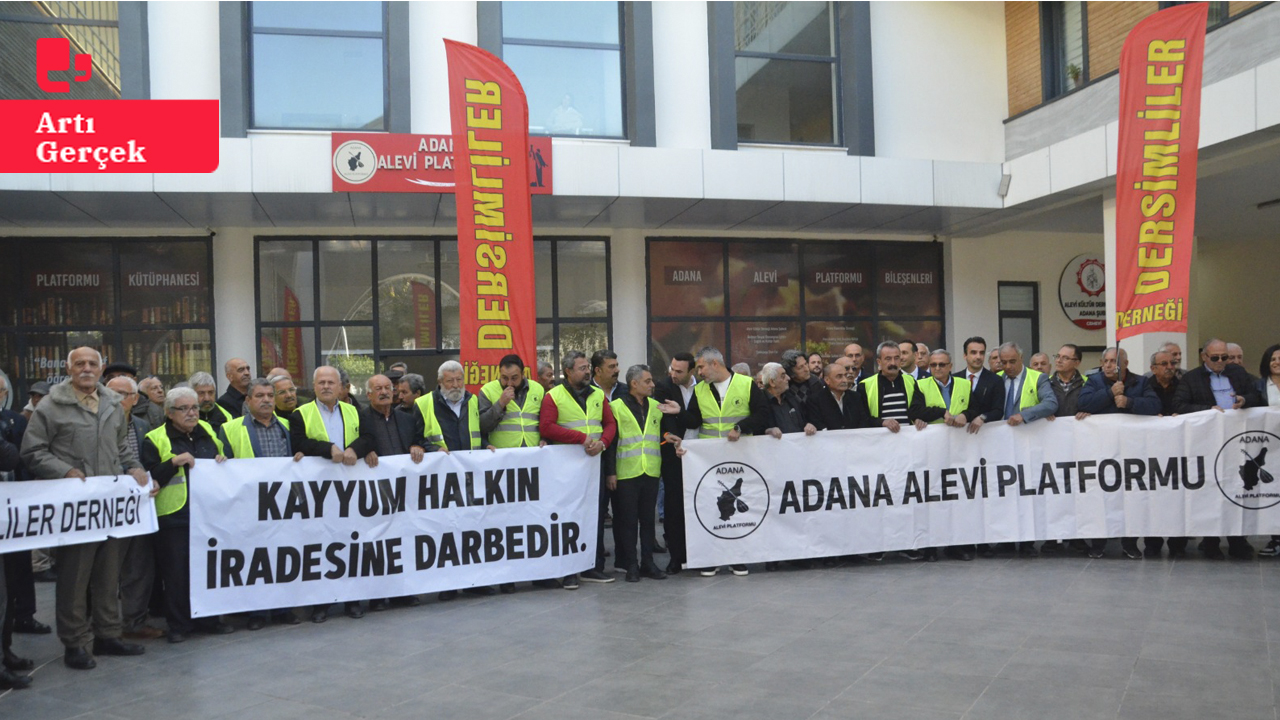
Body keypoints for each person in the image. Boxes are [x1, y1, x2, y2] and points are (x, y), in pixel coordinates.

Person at [21, 347, 154, 669]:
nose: (86, 368)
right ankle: (75, 642)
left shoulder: (112, 402)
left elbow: (121, 445)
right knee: (74, 577)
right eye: (79, 363)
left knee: (109, 575)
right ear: (68, 368)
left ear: (101, 368)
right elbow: (32, 450)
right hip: (75, 509)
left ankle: (108, 635)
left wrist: (134, 468)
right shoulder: (52, 406)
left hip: (109, 506)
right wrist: (63, 470)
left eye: (92, 363)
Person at [140, 387, 234, 643]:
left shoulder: (210, 433)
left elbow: (229, 463)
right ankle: (179, 625)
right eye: (184, 409)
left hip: (208, 516)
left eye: (194, 408)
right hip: (174, 517)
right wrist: (172, 463)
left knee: (207, 570)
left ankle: (209, 619)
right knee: (177, 574)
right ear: (169, 413)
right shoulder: (155, 438)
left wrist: (223, 459)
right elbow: (146, 479)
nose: (192, 413)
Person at [218, 378, 305, 627]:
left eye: (270, 395)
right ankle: (256, 612)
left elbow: (299, 460)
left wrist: (302, 457)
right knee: (256, 560)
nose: (266, 400)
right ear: (248, 400)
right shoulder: (230, 429)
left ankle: (282, 610)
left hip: (284, 505)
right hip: (250, 506)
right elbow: (223, 466)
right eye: (260, 396)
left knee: (283, 556)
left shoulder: (288, 426)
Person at [291, 365, 376, 618]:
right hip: (319, 495)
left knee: (352, 543)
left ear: (340, 387)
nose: (326, 387)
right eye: (321, 383)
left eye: (331, 382)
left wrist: (355, 449)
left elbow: (370, 437)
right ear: (314, 386)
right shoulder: (300, 414)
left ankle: (352, 600)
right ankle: (322, 603)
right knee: (322, 545)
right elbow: (298, 443)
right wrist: (328, 448)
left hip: (351, 492)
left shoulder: (354, 411)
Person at [409, 361, 497, 600]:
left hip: (471, 478)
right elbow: (416, 439)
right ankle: (447, 583)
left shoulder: (474, 401)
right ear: (440, 383)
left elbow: (480, 432)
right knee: (445, 531)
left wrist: (486, 444)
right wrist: (431, 448)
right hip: (441, 480)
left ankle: (473, 581)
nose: (456, 385)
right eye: (450, 381)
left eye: (459, 380)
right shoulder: (423, 403)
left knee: (472, 529)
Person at [681, 346, 771, 577]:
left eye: (701, 366)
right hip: (710, 460)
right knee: (713, 507)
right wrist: (677, 412)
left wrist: (741, 428)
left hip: (741, 456)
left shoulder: (746, 384)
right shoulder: (700, 390)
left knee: (738, 510)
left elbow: (762, 415)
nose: (698, 372)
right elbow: (694, 419)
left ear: (715, 364)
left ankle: (737, 558)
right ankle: (712, 558)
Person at [1173, 338, 1259, 560]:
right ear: (1204, 357)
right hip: (1207, 443)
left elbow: (1257, 397)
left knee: (1237, 488)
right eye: (1215, 358)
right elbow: (1180, 405)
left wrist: (1244, 400)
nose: (1221, 362)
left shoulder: (1239, 374)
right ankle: (1210, 541)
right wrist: (1208, 410)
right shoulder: (1191, 378)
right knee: (1211, 490)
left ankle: (1237, 540)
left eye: (1224, 357)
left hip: (1238, 441)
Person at [540, 351, 618, 588]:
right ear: (568, 372)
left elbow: (610, 423)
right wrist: (580, 438)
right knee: (567, 517)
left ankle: (593, 566)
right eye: (582, 368)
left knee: (593, 515)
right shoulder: (554, 396)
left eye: (587, 367)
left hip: (594, 463)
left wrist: (603, 442)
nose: (587, 371)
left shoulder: (597, 395)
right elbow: (547, 427)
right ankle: (570, 570)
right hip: (566, 467)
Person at [1077, 347, 1160, 559]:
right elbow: (1083, 403)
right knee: (1101, 496)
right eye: (1105, 361)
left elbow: (1154, 404)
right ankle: (1098, 543)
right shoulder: (1094, 381)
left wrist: (1129, 402)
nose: (1107, 365)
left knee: (1130, 497)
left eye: (1113, 361)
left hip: (1132, 450)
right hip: (1101, 450)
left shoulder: (1140, 382)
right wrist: (1109, 393)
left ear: (1125, 364)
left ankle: (1129, 542)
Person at [103, 376, 164, 642]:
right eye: (111, 393)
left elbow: (153, 457)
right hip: (106, 508)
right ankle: (103, 625)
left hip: (139, 507)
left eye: (123, 394)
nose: (116, 399)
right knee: (105, 569)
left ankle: (135, 621)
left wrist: (155, 479)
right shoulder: (99, 424)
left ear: (135, 399)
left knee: (139, 567)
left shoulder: (143, 425)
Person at [356, 375, 426, 608]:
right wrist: (364, 451)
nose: (384, 392)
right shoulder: (360, 419)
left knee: (402, 541)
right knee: (376, 543)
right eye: (378, 389)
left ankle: (403, 592)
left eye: (388, 388)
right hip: (374, 494)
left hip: (403, 494)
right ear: (368, 395)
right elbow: (354, 443)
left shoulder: (407, 419)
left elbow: (419, 439)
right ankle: (377, 596)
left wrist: (417, 446)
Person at [608, 365, 680, 582]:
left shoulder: (656, 406)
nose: (652, 385)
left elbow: (659, 433)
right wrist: (610, 473)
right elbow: (611, 443)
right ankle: (631, 565)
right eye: (648, 381)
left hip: (650, 470)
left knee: (648, 521)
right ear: (634, 383)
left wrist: (669, 437)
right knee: (628, 521)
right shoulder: (616, 407)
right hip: (626, 473)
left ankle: (648, 563)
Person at [993, 342, 1056, 556]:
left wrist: (1026, 414)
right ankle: (1007, 540)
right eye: (1004, 362)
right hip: (1001, 446)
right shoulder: (997, 379)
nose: (1008, 366)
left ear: (1021, 359)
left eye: (1012, 361)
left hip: (1029, 444)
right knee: (1005, 492)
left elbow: (1050, 403)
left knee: (1027, 492)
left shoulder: (1038, 378)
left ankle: (1027, 541)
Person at [0, 375, 35, 689]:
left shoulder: (8, 421)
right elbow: (9, 455)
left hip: (10, 516)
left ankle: (5, 649)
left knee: (8, 590)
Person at [653, 352, 696, 575]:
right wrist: (671, 435)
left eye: (679, 371)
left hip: (702, 456)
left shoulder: (703, 388)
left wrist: (681, 412)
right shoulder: (662, 388)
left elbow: (698, 419)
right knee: (674, 507)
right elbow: (664, 421)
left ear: (692, 371)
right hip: (674, 456)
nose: (673, 374)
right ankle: (676, 557)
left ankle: (699, 553)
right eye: (672, 368)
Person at [1144, 349, 1186, 559]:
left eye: (1172, 363)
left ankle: (1178, 543)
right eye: (1164, 364)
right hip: (1152, 451)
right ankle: (1153, 543)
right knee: (1154, 497)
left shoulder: (1184, 385)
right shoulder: (1145, 386)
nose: (1170, 367)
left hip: (1180, 450)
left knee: (1179, 496)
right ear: (1153, 368)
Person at [1254, 345, 1280, 557]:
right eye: (1273, 358)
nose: (1276, 362)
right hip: (1271, 449)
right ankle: (1276, 539)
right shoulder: (1259, 386)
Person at [807, 363, 865, 431]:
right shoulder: (816, 400)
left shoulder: (855, 397)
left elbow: (863, 422)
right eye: (839, 376)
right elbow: (818, 425)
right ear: (827, 380)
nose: (844, 380)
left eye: (845, 376)